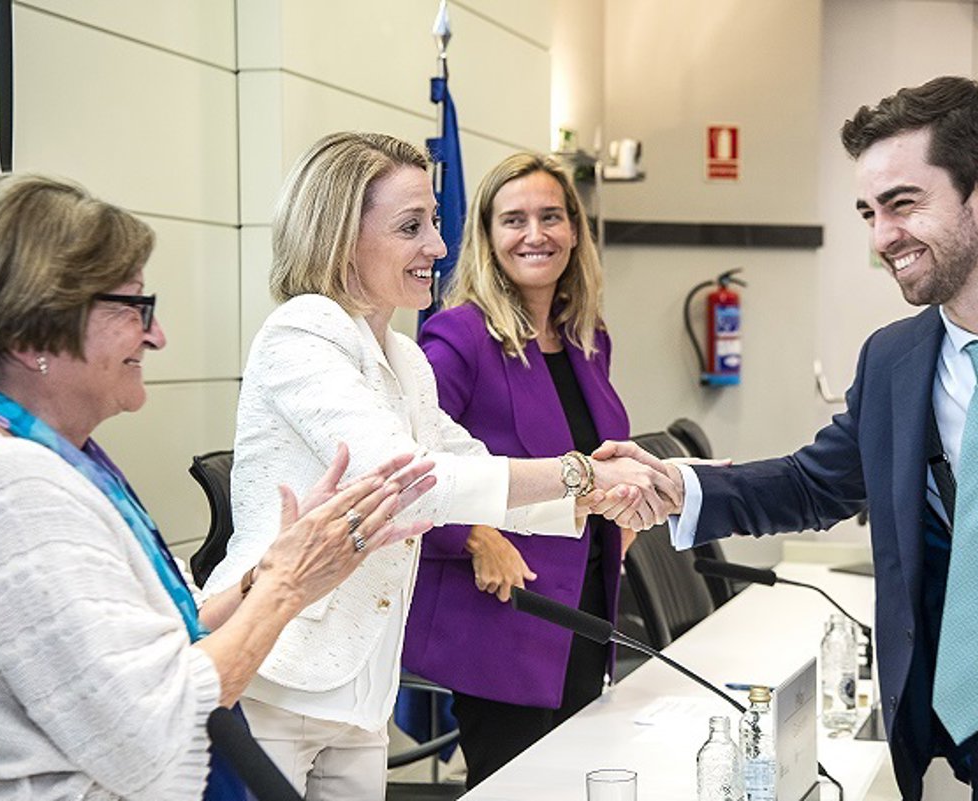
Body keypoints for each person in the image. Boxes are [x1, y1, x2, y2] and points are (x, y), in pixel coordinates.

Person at [599, 76, 978, 799]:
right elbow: (814, 482)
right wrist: (675, 484)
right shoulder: (895, 361)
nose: (882, 237)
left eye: (903, 204)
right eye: (869, 212)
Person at [200, 132, 677, 799]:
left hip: (362, 684)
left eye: (432, 222)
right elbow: (412, 485)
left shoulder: (403, 356)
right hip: (280, 671)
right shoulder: (302, 332)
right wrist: (585, 476)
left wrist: (597, 499)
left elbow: (473, 466)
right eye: (411, 227)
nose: (439, 246)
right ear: (340, 237)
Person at [0, 173, 437, 800]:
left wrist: (269, 572)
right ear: (29, 331)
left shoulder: (52, 461)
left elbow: (163, 638)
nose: (156, 335)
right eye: (132, 307)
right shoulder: (15, 487)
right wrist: (285, 587)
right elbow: (149, 731)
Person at [401, 153, 635, 786]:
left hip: (585, 605)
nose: (536, 234)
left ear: (575, 230)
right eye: (514, 220)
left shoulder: (587, 337)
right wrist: (474, 536)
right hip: (503, 617)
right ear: (487, 235)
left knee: (578, 781)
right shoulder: (457, 338)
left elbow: (594, 457)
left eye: (551, 217)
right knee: (517, 786)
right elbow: (410, 465)